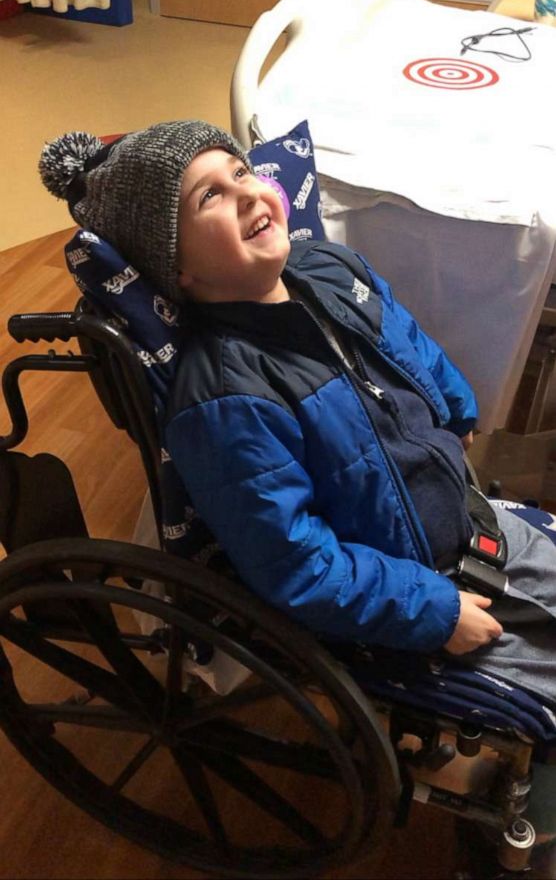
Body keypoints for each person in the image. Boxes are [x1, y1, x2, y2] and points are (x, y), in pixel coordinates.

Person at [39, 120, 556, 865]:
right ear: (177, 270)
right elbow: (297, 567)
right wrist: (432, 612)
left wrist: (455, 405)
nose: (248, 191)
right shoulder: (222, 397)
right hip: (416, 596)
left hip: (466, 525)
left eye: (243, 170)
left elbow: (405, 340)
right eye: (209, 195)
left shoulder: (328, 269)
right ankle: (524, 839)